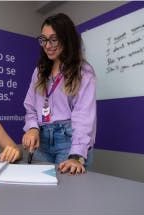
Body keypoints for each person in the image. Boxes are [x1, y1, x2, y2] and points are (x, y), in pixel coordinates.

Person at [22, 13, 96, 176]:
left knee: (67, 194)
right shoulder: (39, 71)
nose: (47, 45)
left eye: (53, 39)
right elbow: (30, 107)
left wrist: (76, 155)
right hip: (42, 141)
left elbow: (83, 117)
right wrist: (32, 128)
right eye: (43, 39)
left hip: (69, 140)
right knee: (39, 191)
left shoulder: (83, 72)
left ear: (66, 38)